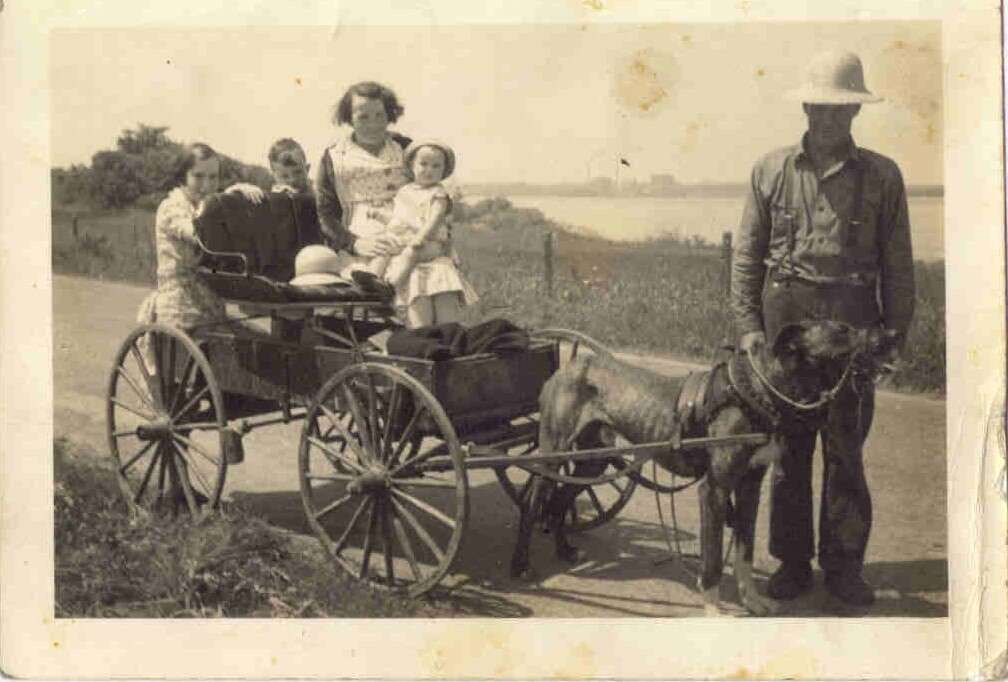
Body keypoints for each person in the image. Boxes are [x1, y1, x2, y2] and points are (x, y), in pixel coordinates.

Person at [730, 50, 915, 607]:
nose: (830, 118)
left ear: (856, 113)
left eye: (843, 109)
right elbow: (747, 256)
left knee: (846, 449)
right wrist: (748, 328)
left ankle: (844, 567)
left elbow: (898, 264)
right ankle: (791, 562)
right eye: (822, 107)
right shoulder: (770, 170)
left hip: (855, 319)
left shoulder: (884, 176)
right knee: (788, 448)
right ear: (806, 106)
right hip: (786, 318)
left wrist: (894, 334)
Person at [362, 140, 478, 327]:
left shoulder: (438, 193)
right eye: (423, 164)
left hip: (430, 243)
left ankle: (389, 287)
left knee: (410, 254)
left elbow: (434, 220)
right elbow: (399, 221)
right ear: (411, 166)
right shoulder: (405, 192)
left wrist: (420, 238)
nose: (429, 170)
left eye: (436, 166)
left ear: (443, 171)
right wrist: (379, 215)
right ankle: (369, 284)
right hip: (406, 238)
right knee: (383, 247)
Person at [314, 80, 412, 267]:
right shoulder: (335, 156)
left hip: (406, 235)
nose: (373, 124)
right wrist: (354, 243)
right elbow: (325, 213)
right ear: (350, 117)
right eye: (363, 117)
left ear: (389, 114)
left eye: (379, 115)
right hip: (359, 242)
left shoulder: (405, 148)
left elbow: (430, 190)